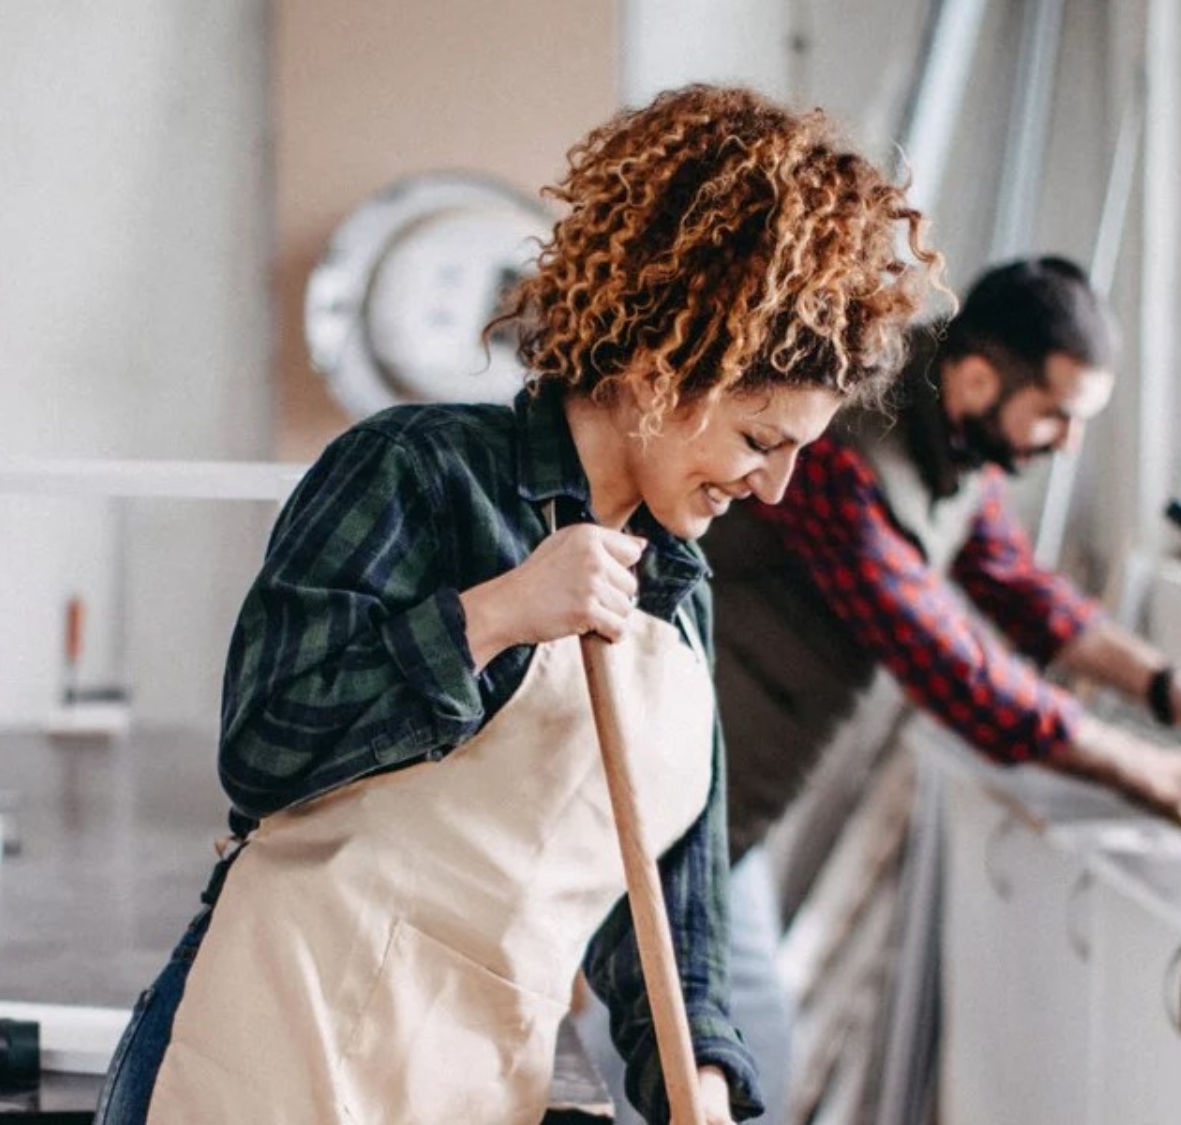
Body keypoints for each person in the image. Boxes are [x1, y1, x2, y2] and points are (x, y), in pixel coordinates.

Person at [94, 84, 942, 1125]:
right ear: (658, 365)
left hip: (468, 1086)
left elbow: (670, 904)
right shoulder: (417, 472)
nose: (769, 489)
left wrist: (700, 1087)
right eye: (758, 443)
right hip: (277, 1050)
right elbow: (263, 747)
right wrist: (491, 614)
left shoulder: (678, 590)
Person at [659, 256, 1181, 1122]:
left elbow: (1015, 583)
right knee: (696, 1062)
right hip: (665, 788)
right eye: (1058, 415)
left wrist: (1165, 687)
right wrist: (1160, 772)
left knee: (741, 1050)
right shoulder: (843, 450)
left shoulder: (949, 435)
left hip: (727, 805)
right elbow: (954, 669)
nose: (1066, 441)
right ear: (981, 376)